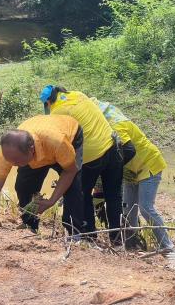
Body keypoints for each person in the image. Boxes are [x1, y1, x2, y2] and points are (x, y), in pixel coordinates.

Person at [40, 85, 123, 244]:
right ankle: (118, 239)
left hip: (90, 157)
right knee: (114, 195)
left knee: (83, 194)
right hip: (112, 148)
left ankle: (89, 236)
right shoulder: (79, 95)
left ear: (48, 103)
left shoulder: (57, 113)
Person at [92, 98, 174, 251]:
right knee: (129, 209)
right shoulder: (105, 127)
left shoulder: (116, 125)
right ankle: (132, 242)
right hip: (131, 171)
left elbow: (129, 151)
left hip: (148, 165)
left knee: (145, 207)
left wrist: (113, 171)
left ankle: (167, 245)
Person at [0, 114, 85, 235]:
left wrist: (51, 201)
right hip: (38, 142)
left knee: (73, 188)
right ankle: (30, 227)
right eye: (9, 160)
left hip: (67, 137)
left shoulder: (58, 143)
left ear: (31, 150)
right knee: (23, 187)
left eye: (16, 161)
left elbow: (70, 171)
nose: (13, 164)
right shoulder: (10, 153)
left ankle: (75, 233)